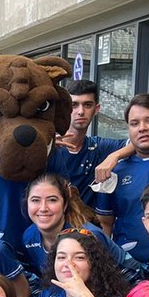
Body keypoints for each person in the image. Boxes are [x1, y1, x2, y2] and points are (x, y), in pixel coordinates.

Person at [93, 94, 149, 265]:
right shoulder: (115, 171)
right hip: (129, 267)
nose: (142, 128)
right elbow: (105, 224)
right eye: (134, 123)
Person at [21, 172, 143, 285]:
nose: (43, 208)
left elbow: (123, 278)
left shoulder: (88, 235)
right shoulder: (29, 237)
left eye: (52, 200)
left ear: (65, 204)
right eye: (35, 200)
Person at [46, 79, 126, 207]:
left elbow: (137, 143)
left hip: (86, 219)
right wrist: (47, 147)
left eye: (87, 105)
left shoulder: (98, 146)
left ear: (96, 109)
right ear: (64, 108)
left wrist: (114, 156)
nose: (81, 111)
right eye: (74, 105)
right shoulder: (48, 146)